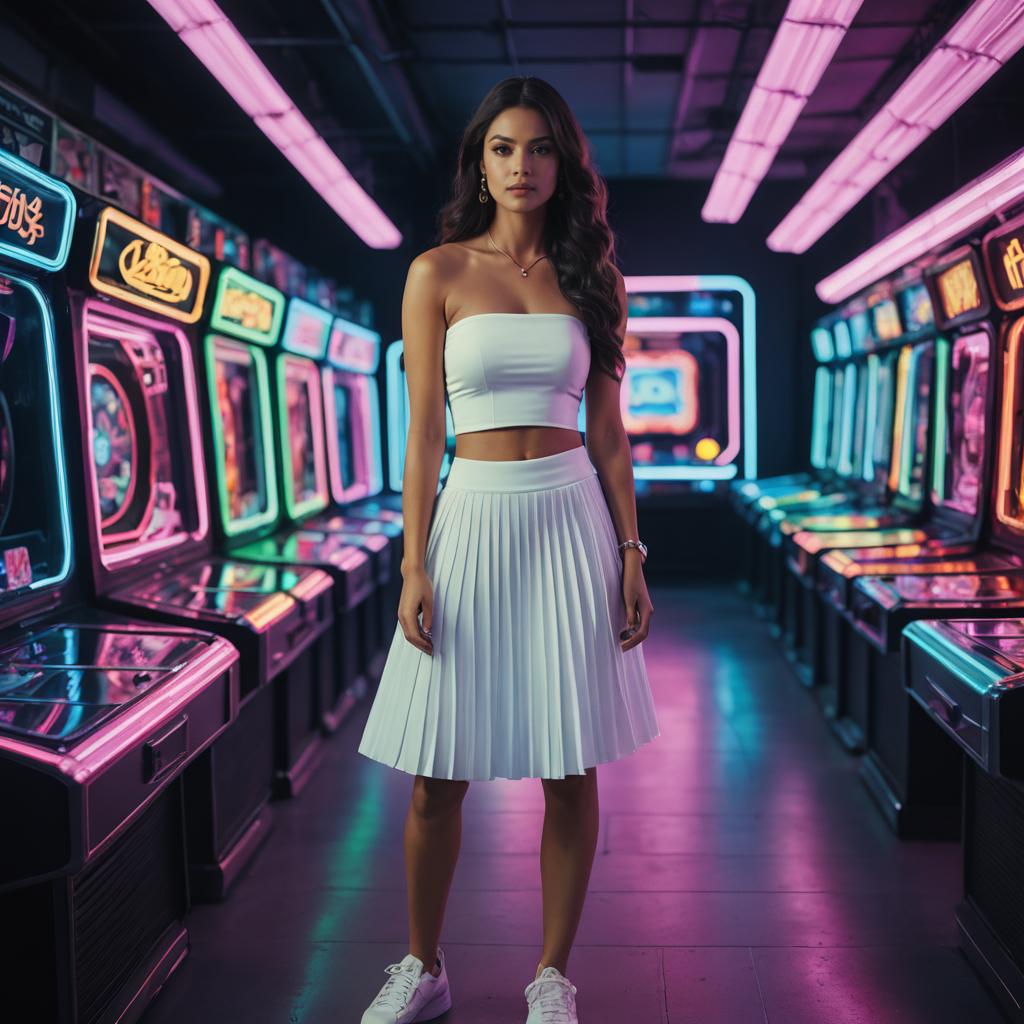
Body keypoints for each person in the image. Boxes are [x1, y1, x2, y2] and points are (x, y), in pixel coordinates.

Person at [358, 74, 660, 1024]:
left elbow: (610, 437)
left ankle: (551, 978)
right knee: (436, 773)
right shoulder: (436, 272)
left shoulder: (593, 277)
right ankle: (422, 966)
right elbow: (419, 434)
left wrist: (631, 551)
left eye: (536, 148)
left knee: (569, 767)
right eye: (501, 148)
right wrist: (413, 563)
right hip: (472, 516)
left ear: (563, 162)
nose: (519, 166)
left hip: (571, 516)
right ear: (478, 161)